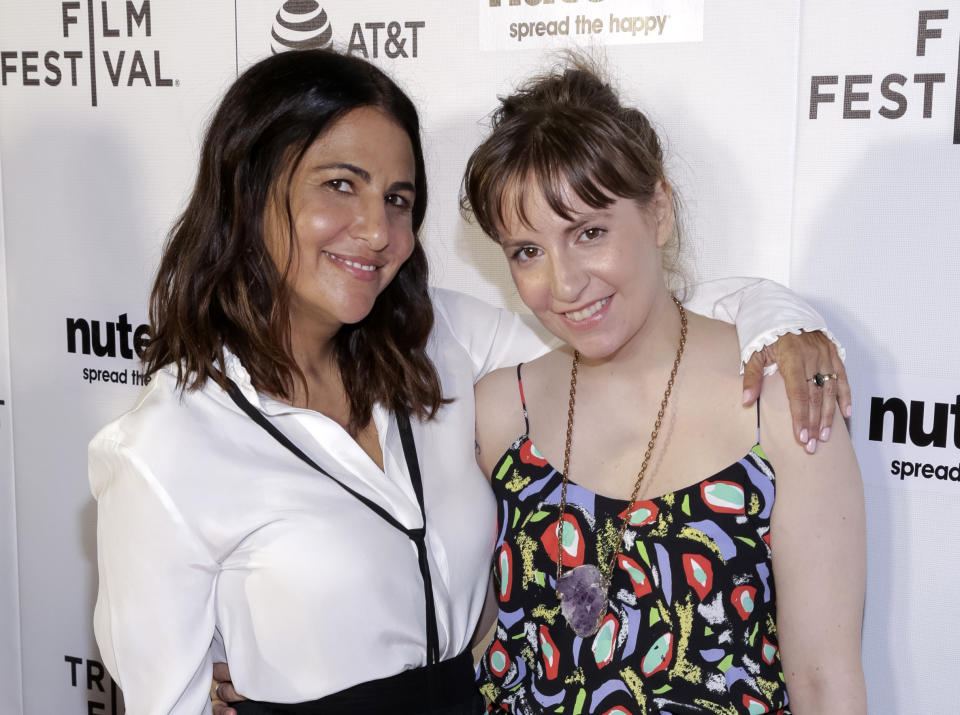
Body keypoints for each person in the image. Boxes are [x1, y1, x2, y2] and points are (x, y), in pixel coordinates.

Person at [88, 49, 848, 715]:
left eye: (396, 198)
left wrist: (777, 317)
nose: (377, 230)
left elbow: (630, 329)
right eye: (339, 185)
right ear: (251, 190)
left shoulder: (446, 346)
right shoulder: (165, 447)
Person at [463, 59, 866, 713]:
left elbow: (825, 681)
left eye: (589, 233)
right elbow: (464, 637)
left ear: (659, 212)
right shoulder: (499, 413)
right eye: (527, 251)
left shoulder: (781, 403)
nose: (563, 285)